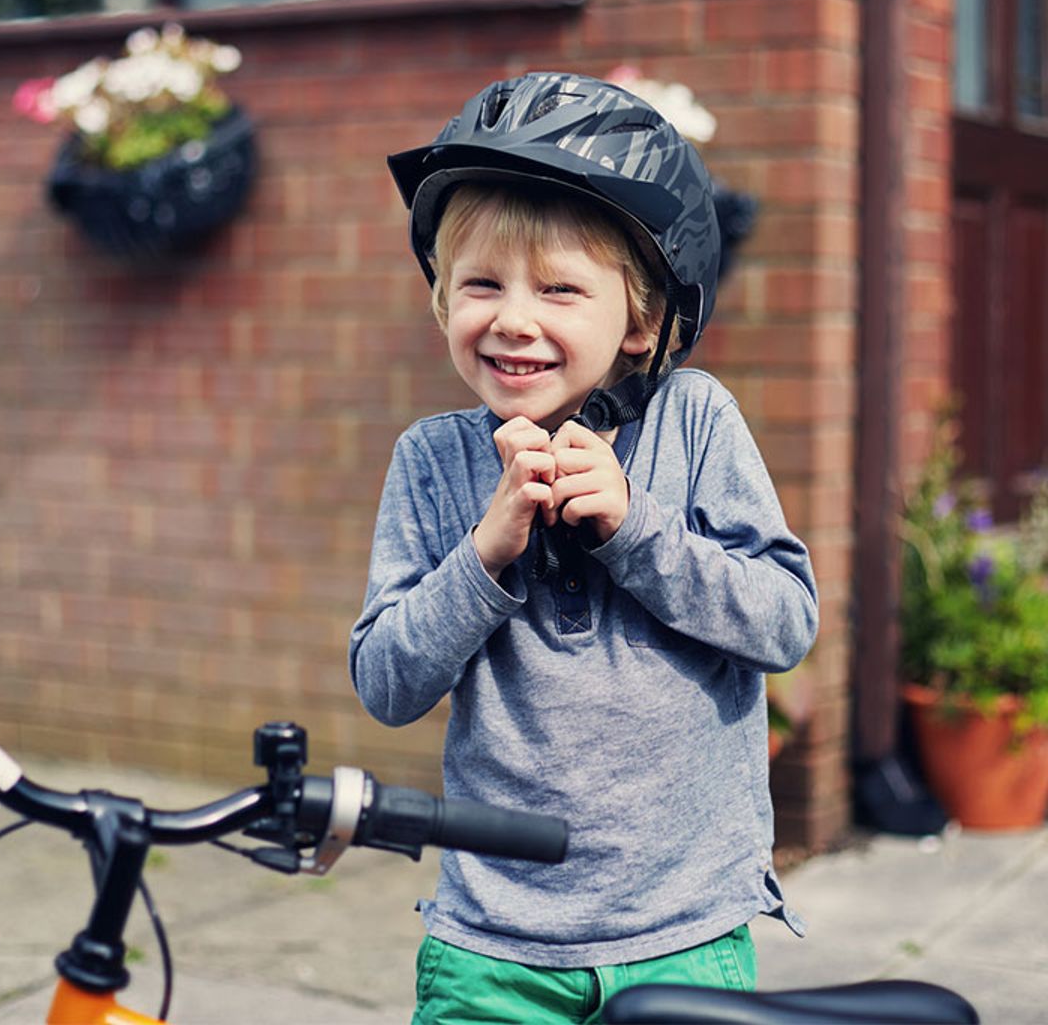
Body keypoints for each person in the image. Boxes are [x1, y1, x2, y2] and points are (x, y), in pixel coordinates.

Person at [349, 72, 819, 1024]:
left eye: (560, 289)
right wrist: (483, 555)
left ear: (641, 321)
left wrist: (637, 526)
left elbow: (784, 621)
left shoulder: (696, 425)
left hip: (683, 933)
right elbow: (387, 684)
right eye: (481, 283)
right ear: (443, 302)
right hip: (493, 948)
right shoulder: (433, 462)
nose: (514, 318)